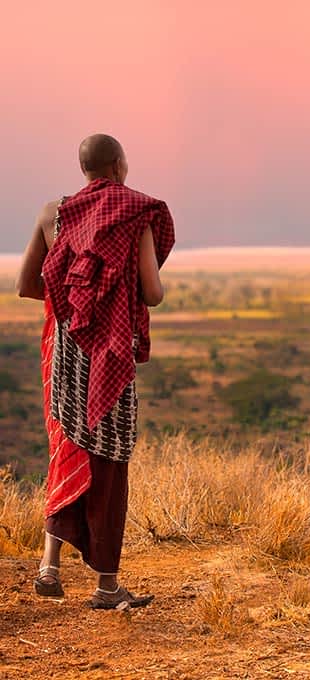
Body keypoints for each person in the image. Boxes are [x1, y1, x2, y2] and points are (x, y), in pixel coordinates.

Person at [16, 134, 175, 609]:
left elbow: (27, 283)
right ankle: (107, 586)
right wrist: (109, 303)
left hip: (68, 350)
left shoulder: (52, 213)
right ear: (120, 165)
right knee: (108, 463)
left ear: (83, 168)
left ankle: (49, 565)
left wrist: (77, 301)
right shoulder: (137, 214)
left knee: (68, 449)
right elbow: (153, 293)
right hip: (111, 356)